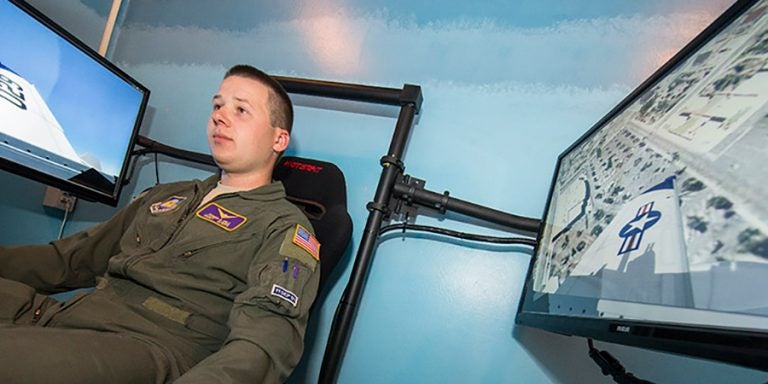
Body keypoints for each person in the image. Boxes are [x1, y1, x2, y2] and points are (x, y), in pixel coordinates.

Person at [0, 64, 321, 383]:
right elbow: (68, 260)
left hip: (146, 346)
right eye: (218, 105)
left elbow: (266, 339)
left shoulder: (285, 227)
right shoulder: (167, 195)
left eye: (241, 110)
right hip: (64, 317)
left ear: (279, 139)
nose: (220, 116)